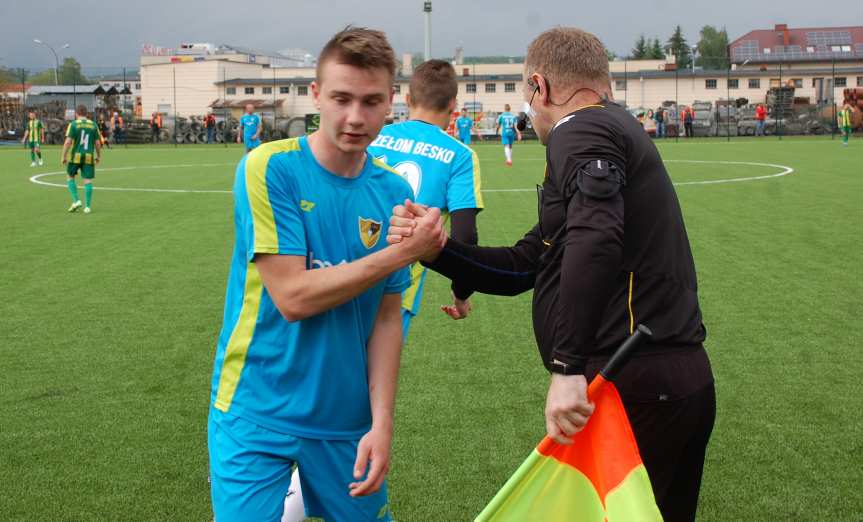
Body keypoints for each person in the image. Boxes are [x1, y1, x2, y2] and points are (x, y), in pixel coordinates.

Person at [389, 27, 714, 522]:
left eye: (526, 96)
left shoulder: (580, 129)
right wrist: (437, 250)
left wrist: (566, 367)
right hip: (668, 380)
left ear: (539, 86)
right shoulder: (609, 128)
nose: (529, 112)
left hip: (634, 382)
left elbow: (597, 236)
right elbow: (527, 263)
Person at [208, 27, 445, 522]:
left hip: (346, 420)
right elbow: (293, 297)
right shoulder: (269, 168)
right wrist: (402, 255)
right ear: (316, 95)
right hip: (256, 408)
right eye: (341, 98)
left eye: (371, 101)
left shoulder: (393, 190)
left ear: (391, 103)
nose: (355, 117)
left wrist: (382, 423)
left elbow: (386, 317)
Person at [61, 105, 102, 214]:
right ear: (87, 114)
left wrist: (63, 156)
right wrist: (98, 156)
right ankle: (87, 207)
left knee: (70, 176)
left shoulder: (73, 124)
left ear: (77, 114)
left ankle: (76, 200)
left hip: (76, 156)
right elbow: (97, 143)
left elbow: (68, 142)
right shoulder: (93, 125)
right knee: (87, 180)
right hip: (88, 156)